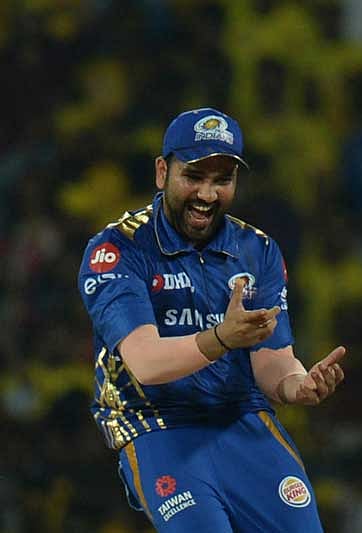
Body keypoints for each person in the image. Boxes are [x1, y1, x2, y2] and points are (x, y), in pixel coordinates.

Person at [78, 107, 345, 532]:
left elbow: (272, 357)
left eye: (222, 180)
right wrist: (221, 338)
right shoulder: (116, 251)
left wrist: (296, 386)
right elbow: (147, 365)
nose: (207, 193)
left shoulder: (257, 250)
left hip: (242, 417)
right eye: (194, 177)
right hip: (156, 424)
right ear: (163, 172)